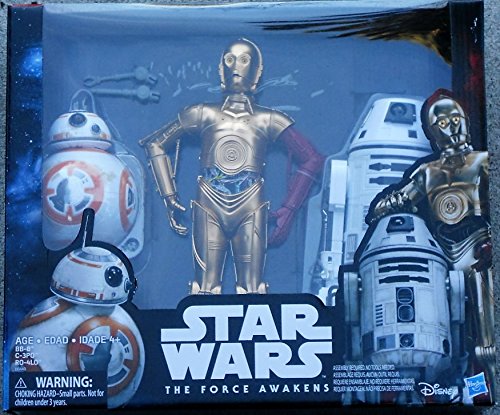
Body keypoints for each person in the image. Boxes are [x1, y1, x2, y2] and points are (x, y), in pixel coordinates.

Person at [140, 38, 324, 294]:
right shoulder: (203, 113)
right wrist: (169, 196)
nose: (236, 66)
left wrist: (289, 209)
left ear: (257, 71)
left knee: (253, 290)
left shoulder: (268, 119)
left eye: (244, 60)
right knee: (204, 289)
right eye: (230, 59)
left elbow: (312, 158)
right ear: (221, 69)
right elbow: (155, 144)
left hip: (250, 205)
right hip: (209, 202)